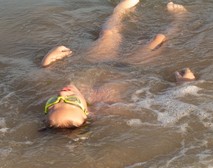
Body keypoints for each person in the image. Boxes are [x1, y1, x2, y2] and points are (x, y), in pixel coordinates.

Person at [41, 0, 196, 129]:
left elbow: (43, 77)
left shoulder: (65, 91)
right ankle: (180, 18)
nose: (62, 95)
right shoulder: (109, 106)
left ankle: (120, 10)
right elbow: (159, 109)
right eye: (71, 101)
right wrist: (184, 86)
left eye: (53, 103)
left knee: (107, 34)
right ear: (88, 113)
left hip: (96, 62)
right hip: (129, 67)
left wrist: (47, 61)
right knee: (158, 39)